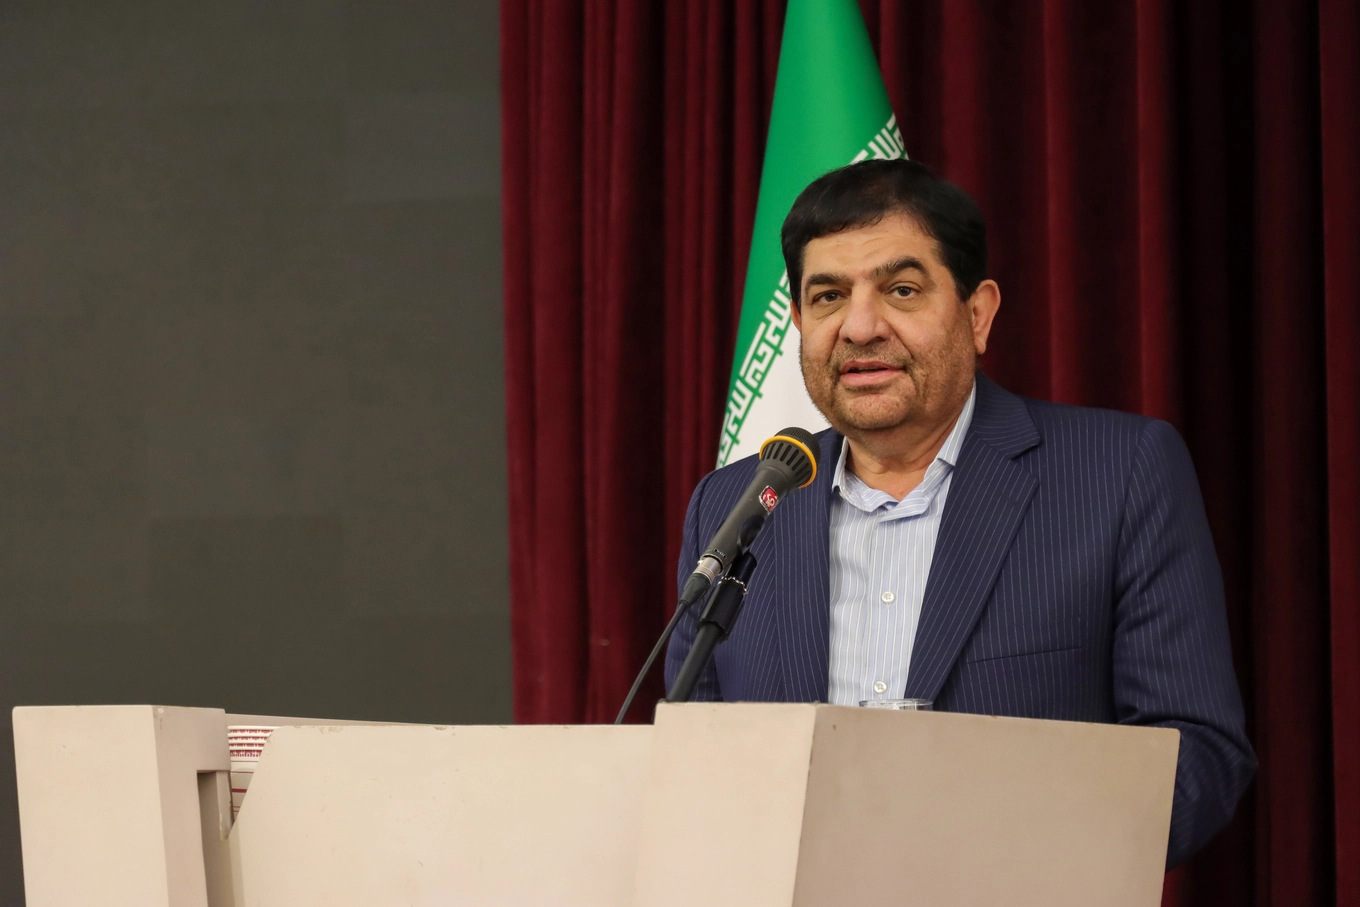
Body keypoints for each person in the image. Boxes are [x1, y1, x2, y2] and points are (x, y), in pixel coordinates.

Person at [665, 159, 1255, 868]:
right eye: (827, 297)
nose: (859, 327)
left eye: (901, 290)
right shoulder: (739, 504)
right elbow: (690, 763)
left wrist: (977, 854)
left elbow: (1196, 755)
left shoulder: (1119, 474)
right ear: (798, 323)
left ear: (978, 315)